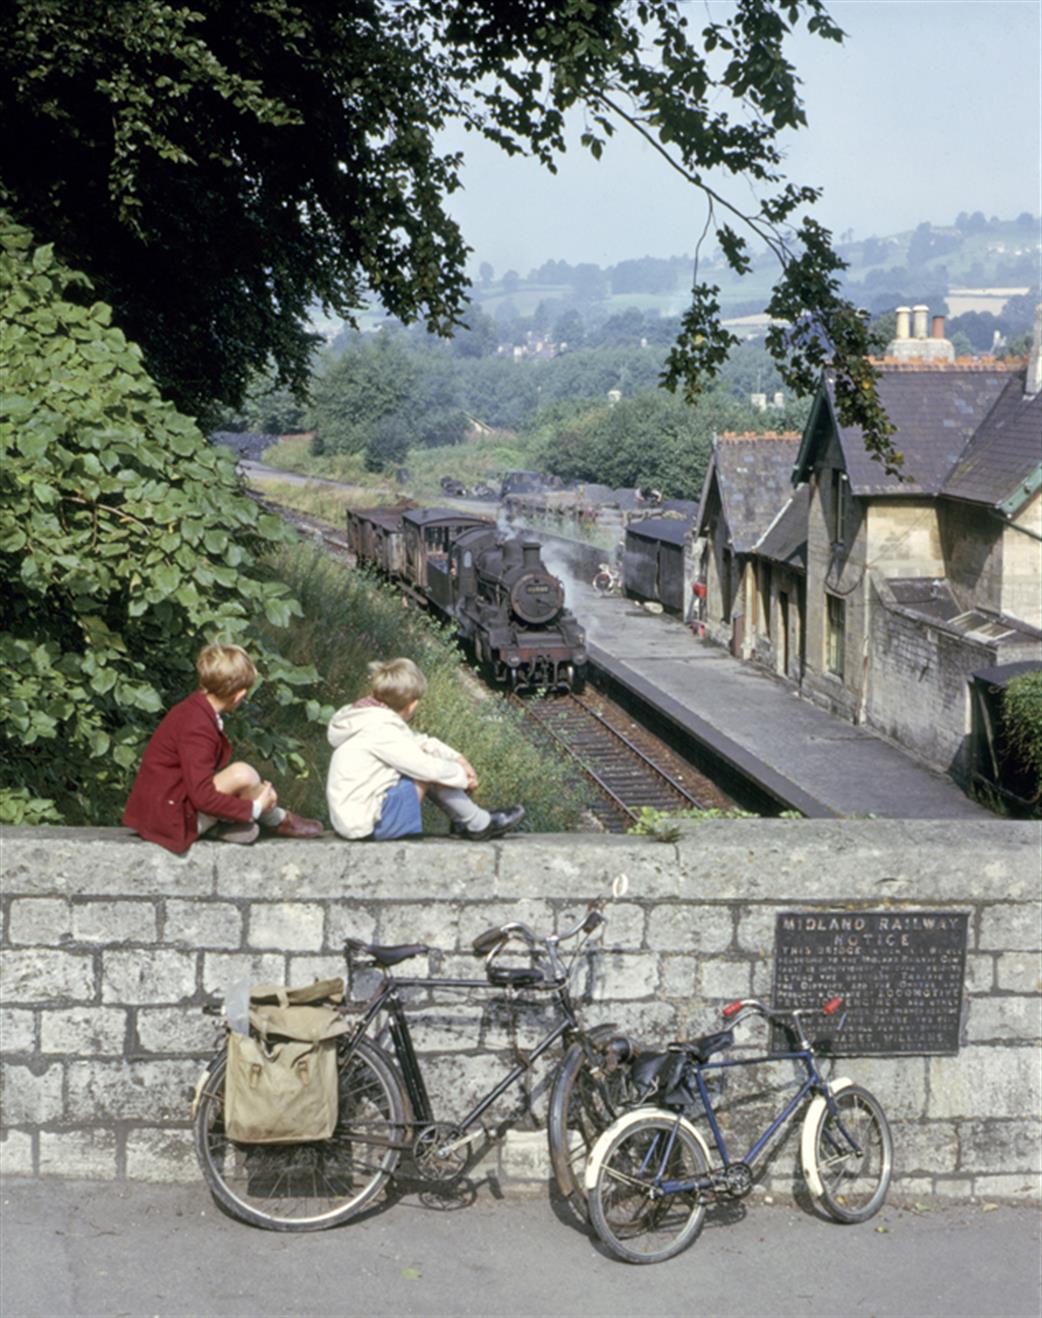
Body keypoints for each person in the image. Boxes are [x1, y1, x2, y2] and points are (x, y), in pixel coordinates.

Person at [123, 643, 323, 853]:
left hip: (163, 806)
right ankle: (273, 819)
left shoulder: (194, 709)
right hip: (169, 821)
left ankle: (242, 821)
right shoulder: (197, 727)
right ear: (239, 695)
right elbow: (201, 795)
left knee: (244, 774)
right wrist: (254, 808)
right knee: (245, 777)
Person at [326, 658, 524, 842]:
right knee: (426, 772)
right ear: (413, 705)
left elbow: (416, 741)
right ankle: (477, 823)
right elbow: (425, 768)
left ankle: (466, 819)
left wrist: (457, 758)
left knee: (428, 764)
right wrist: (463, 776)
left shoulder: (367, 717)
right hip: (367, 825)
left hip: (357, 816)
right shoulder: (380, 729)